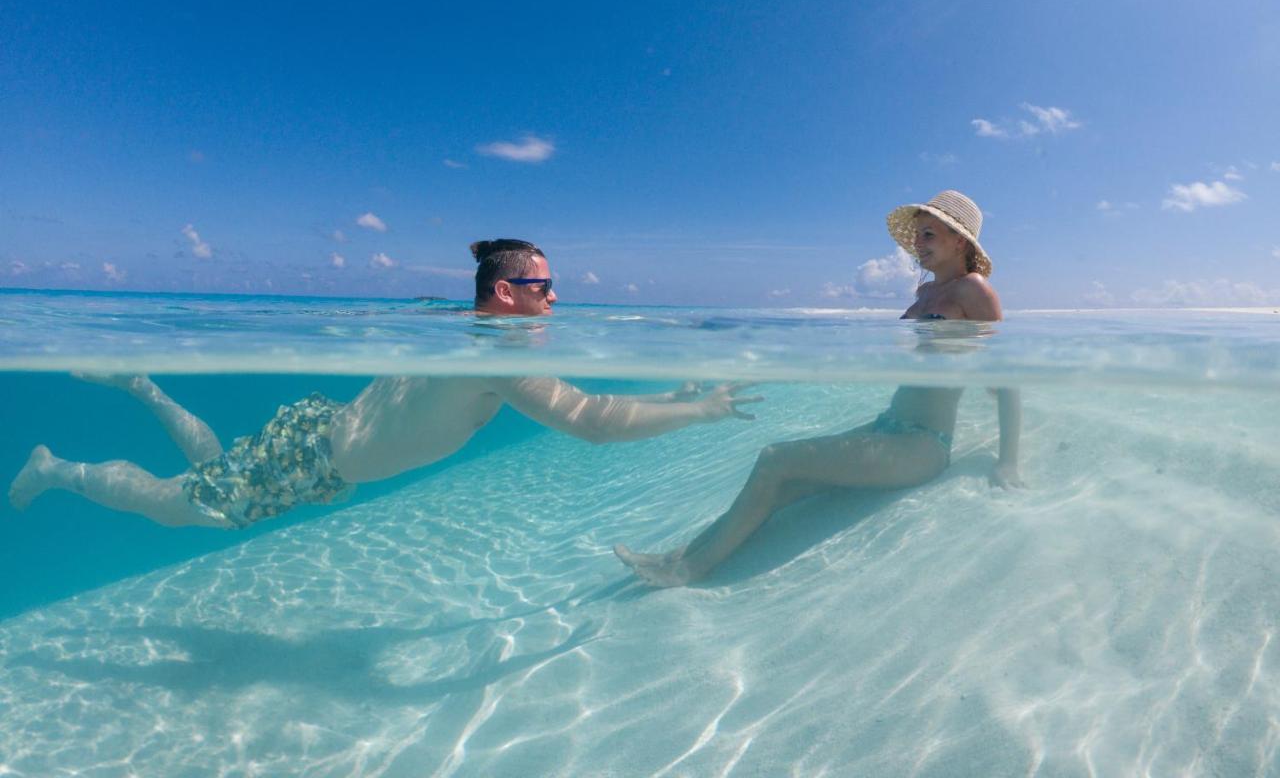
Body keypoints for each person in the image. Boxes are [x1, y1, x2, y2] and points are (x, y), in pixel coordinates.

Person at [8, 239, 759, 530]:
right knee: (183, 507)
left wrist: (687, 396)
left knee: (207, 481)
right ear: (504, 293)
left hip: (322, 439)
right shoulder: (496, 356)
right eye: (544, 284)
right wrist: (693, 411)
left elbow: (588, 403)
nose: (557, 296)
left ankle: (145, 388)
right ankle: (56, 466)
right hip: (315, 455)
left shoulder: (470, 337)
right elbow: (591, 419)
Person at [615, 191, 1023, 587]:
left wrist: (1008, 462)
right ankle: (679, 555)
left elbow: (1008, 378)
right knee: (782, 486)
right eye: (918, 234)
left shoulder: (975, 290)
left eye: (929, 234)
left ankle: (690, 570)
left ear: (959, 239)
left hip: (922, 446)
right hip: (888, 427)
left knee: (774, 458)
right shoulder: (926, 293)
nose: (918, 243)